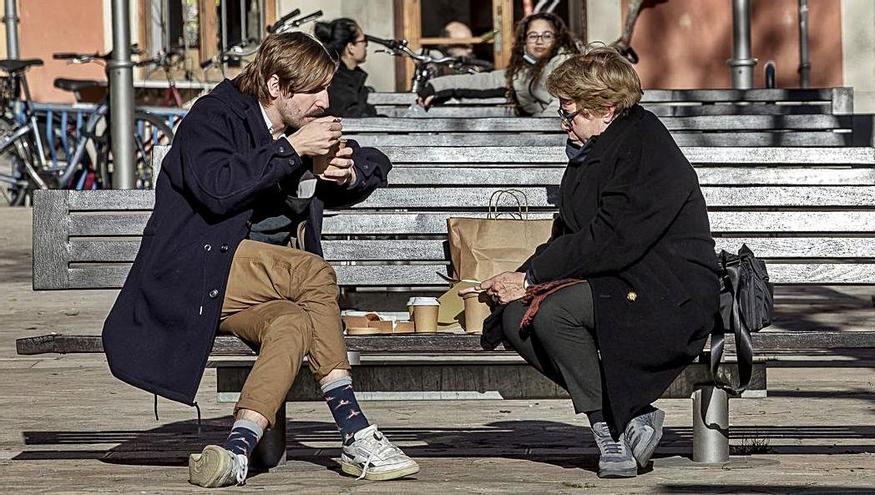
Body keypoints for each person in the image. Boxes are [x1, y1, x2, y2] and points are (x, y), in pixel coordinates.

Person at [101, 32, 419, 487]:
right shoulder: (214, 117)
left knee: (292, 324)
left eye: (327, 89)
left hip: (254, 284)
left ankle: (236, 452)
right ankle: (354, 430)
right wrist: (293, 152)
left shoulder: (300, 125)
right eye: (313, 91)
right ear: (275, 87)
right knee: (312, 273)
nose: (324, 101)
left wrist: (343, 174)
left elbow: (370, 159)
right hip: (196, 272)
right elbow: (218, 189)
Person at [462, 46, 719, 478]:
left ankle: (609, 430)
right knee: (514, 318)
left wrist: (530, 277)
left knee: (553, 313)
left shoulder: (643, 146)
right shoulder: (590, 150)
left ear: (607, 108)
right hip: (615, 278)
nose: (565, 123)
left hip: (667, 288)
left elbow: (612, 238)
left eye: (572, 113)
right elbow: (571, 235)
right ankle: (622, 422)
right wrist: (518, 278)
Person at [418, 12, 581, 116]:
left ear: (557, 39)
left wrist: (533, 131)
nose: (539, 41)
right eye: (533, 36)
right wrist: (436, 87)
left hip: (561, 139)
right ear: (524, 41)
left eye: (546, 36)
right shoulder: (524, 71)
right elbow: (485, 81)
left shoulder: (566, 64)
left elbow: (560, 106)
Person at [314, 18, 377, 117]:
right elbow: (353, 114)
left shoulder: (347, 77)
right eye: (363, 41)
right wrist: (370, 110)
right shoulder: (336, 81)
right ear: (350, 47)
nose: (366, 45)